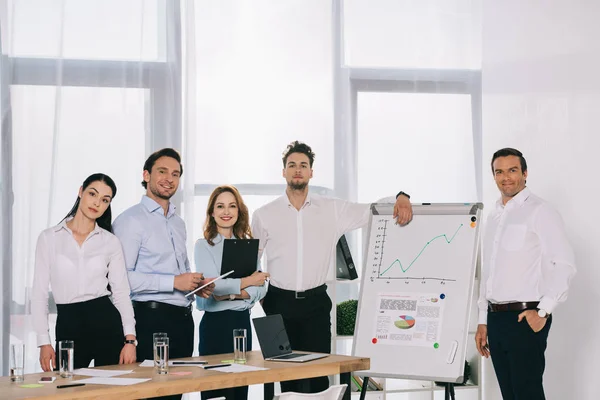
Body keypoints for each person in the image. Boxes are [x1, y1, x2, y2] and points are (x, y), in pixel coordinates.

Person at [251, 141, 413, 394]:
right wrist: (262, 297)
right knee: (283, 380)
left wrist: (401, 197)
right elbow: (253, 261)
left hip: (315, 305)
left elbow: (372, 209)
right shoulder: (264, 214)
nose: (297, 170)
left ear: (311, 172)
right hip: (277, 304)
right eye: (292, 165)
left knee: (318, 380)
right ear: (283, 171)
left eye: (303, 165)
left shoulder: (332, 210)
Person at [475, 148, 576, 400]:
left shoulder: (540, 211)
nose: (506, 177)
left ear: (525, 173)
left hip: (525, 318)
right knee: (509, 395)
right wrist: (482, 320)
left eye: (512, 170)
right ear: (494, 176)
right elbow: (488, 272)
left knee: (527, 394)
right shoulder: (494, 216)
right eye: (499, 172)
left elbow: (565, 264)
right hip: (496, 320)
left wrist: (543, 312)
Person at [113, 148, 213, 400]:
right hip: (151, 321)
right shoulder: (130, 220)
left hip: (183, 321)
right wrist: (174, 282)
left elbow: (180, 271)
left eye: (176, 173)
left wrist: (194, 285)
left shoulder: (178, 223)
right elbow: (120, 279)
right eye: (162, 171)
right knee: (152, 394)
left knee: (175, 395)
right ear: (146, 175)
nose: (170, 178)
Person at [32, 173, 137, 372]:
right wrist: (43, 342)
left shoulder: (110, 242)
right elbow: (39, 294)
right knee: (66, 390)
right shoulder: (49, 238)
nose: (97, 203)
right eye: (92, 194)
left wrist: (130, 341)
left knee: (112, 392)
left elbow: (121, 293)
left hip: (105, 321)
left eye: (105, 200)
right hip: (68, 323)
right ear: (81, 191)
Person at [195, 185, 269, 400]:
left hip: (241, 325)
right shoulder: (203, 246)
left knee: (238, 390)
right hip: (215, 327)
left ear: (239, 211)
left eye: (231, 206)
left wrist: (232, 294)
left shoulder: (248, 246)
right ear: (212, 212)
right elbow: (213, 287)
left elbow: (261, 288)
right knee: (215, 390)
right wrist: (248, 282)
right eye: (220, 206)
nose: (226, 212)